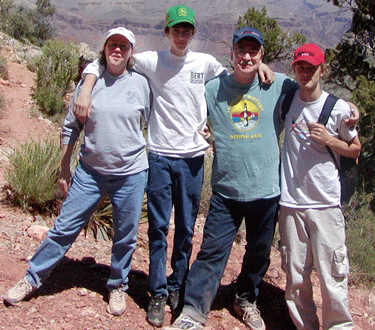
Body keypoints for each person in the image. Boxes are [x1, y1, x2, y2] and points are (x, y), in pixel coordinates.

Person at [74, 5, 274, 328]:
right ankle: (156, 291)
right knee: (157, 228)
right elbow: (111, 57)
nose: (181, 36)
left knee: (184, 231)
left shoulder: (206, 64)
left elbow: (238, 81)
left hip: (193, 159)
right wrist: (88, 80)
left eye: (186, 30)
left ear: (193, 33)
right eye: (175, 30)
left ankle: (178, 286)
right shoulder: (152, 61)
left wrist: (262, 66)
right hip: (160, 158)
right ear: (167, 33)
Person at [163, 28, 360, 330]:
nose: (246, 57)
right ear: (231, 53)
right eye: (241, 51)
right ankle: (192, 311)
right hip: (226, 192)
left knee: (258, 253)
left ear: (262, 56)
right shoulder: (213, 88)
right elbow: (182, 98)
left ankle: (245, 299)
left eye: (253, 52)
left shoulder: (280, 85)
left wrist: (348, 109)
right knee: (212, 253)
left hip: (267, 192)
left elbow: (315, 94)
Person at [3, 27, 152, 317]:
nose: (117, 50)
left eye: (124, 46)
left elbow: (157, 120)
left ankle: (117, 285)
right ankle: (32, 278)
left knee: (125, 234)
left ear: (131, 52)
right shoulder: (91, 82)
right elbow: (71, 127)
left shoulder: (142, 85)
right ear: (105, 48)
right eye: (113, 45)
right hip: (90, 172)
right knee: (64, 228)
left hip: (131, 173)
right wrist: (64, 167)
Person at [278, 43, 361, 330]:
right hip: (291, 203)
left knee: (332, 277)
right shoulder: (287, 100)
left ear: (322, 70)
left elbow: (355, 149)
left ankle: (339, 326)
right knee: (295, 276)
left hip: (325, 203)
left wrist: (329, 140)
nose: (305, 72)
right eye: (300, 67)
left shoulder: (337, 108)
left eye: (311, 67)